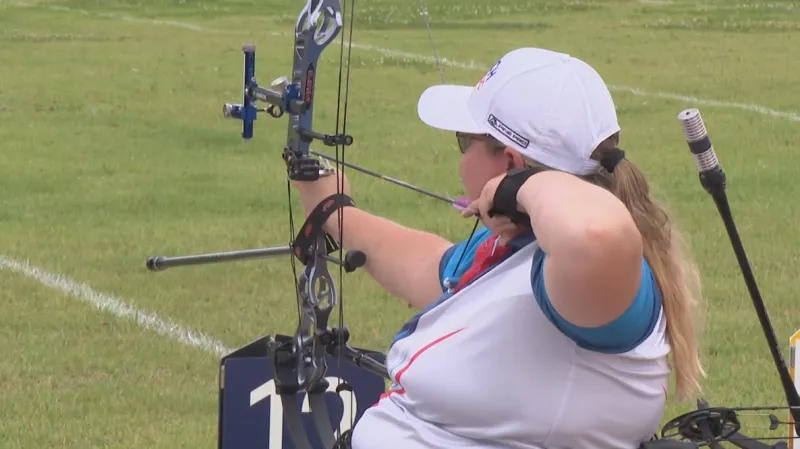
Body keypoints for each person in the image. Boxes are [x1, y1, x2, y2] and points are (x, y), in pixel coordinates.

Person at [293, 47, 705, 449]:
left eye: (463, 141)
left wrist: (519, 187)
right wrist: (335, 210)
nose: (459, 159)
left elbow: (596, 234)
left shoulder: (589, 284)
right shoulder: (515, 250)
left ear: (509, 162)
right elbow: (430, 265)